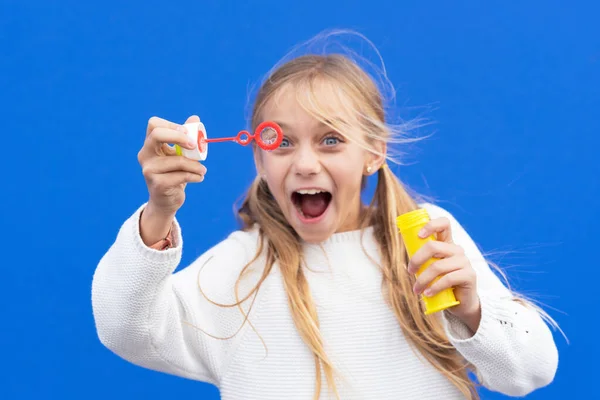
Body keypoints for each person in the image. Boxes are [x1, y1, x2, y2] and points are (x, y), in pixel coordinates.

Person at [91, 32, 559, 400]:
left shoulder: (423, 241)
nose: (306, 164)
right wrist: (158, 214)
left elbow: (532, 371)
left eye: (331, 139)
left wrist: (472, 313)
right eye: (284, 142)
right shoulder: (239, 267)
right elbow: (126, 330)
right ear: (260, 159)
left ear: (374, 153)